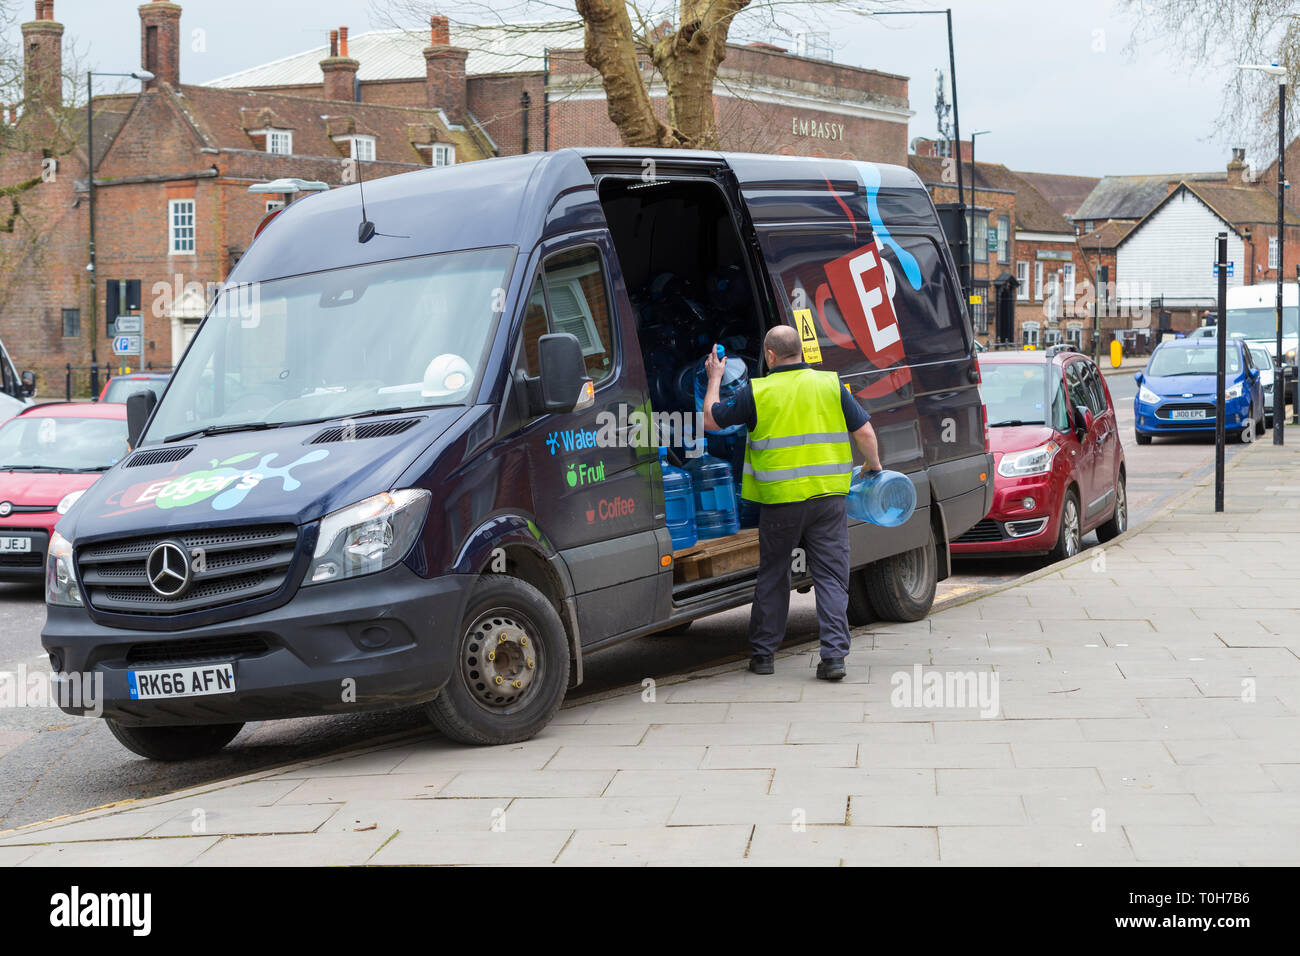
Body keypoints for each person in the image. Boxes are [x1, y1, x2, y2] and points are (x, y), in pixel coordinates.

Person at [703, 325, 882, 681]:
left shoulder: (758, 391)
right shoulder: (831, 384)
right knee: (831, 576)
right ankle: (833, 659)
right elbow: (864, 432)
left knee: (773, 575)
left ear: (770, 355)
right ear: (800, 351)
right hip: (828, 499)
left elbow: (711, 419)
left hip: (781, 503)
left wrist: (715, 377)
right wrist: (874, 466)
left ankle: (764, 657)